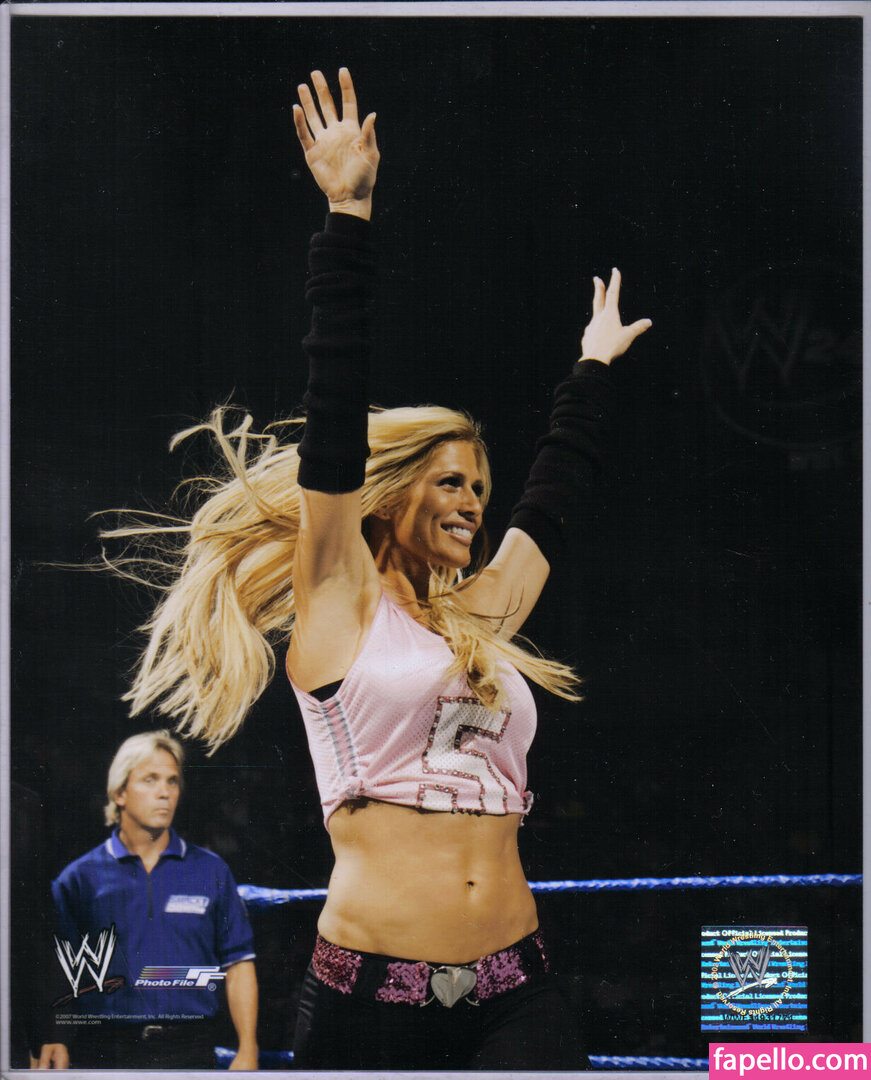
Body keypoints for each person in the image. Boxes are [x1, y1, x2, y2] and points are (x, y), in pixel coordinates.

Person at [100, 69, 650, 1069]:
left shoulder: (481, 614)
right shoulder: (340, 607)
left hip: (516, 991)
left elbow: (549, 505)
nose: (473, 502)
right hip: (370, 1001)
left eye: (479, 486)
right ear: (391, 496)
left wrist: (593, 371)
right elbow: (333, 426)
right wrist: (346, 218)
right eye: (450, 482)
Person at [40, 730, 258, 1070]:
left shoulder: (211, 870)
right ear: (120, 792)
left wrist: (247, 1048)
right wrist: (54, 1036)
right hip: (105, 1052)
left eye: (172, 781)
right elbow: (55, 969)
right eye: (150, 780)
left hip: (191, 1051)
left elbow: (239, 963)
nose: (164, 792)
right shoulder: (79, 878)